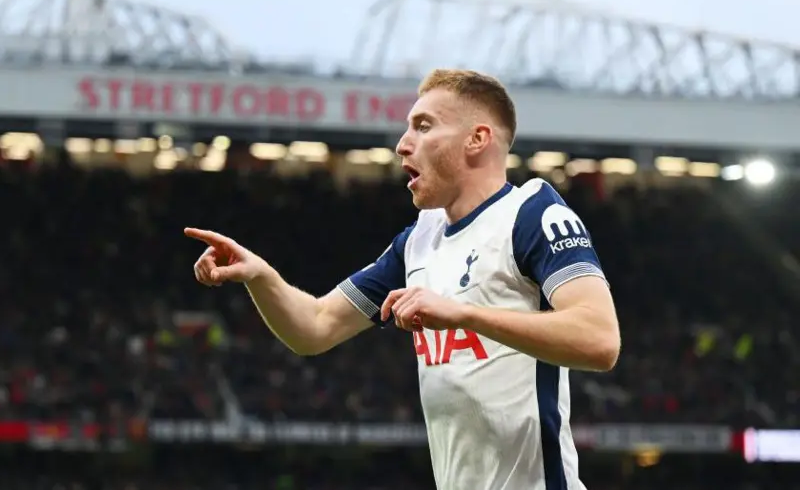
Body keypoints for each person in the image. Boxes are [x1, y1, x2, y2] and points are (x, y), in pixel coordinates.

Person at [185, 69, 620, 490]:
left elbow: (599, 339)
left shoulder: (531, 215)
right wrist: (259, 276)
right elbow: (314, 327)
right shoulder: (420, 241)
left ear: (477, 139)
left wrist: (465, 315)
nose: (402, 145)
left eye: (423, 126)